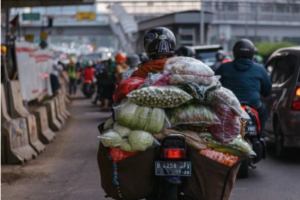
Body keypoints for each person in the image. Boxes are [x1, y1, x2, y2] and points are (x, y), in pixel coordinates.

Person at [215, 39, 272, 137]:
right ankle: (260, 137)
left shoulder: (224, 67)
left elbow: (215, 87)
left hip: (230, 106)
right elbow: (267, 91)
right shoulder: (260, 69)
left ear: (235, 52)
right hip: (254, 105)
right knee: (263, 111)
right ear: (252, 53)